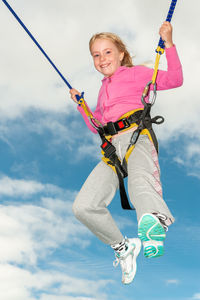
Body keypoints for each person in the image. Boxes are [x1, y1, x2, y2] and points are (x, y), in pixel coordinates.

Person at [70, 21, 183, 284]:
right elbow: (96, 124)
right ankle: (123, 247)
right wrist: (82, 105)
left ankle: (154, 220)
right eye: (96, 55)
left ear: (121, 53)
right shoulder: (103, 88)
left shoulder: (137, 73)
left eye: (107, 52)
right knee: (83, 207)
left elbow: (176, 79)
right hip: (111, 150)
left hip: (136, 138)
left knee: (140, 183)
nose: (101, 58)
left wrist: (168, 43)